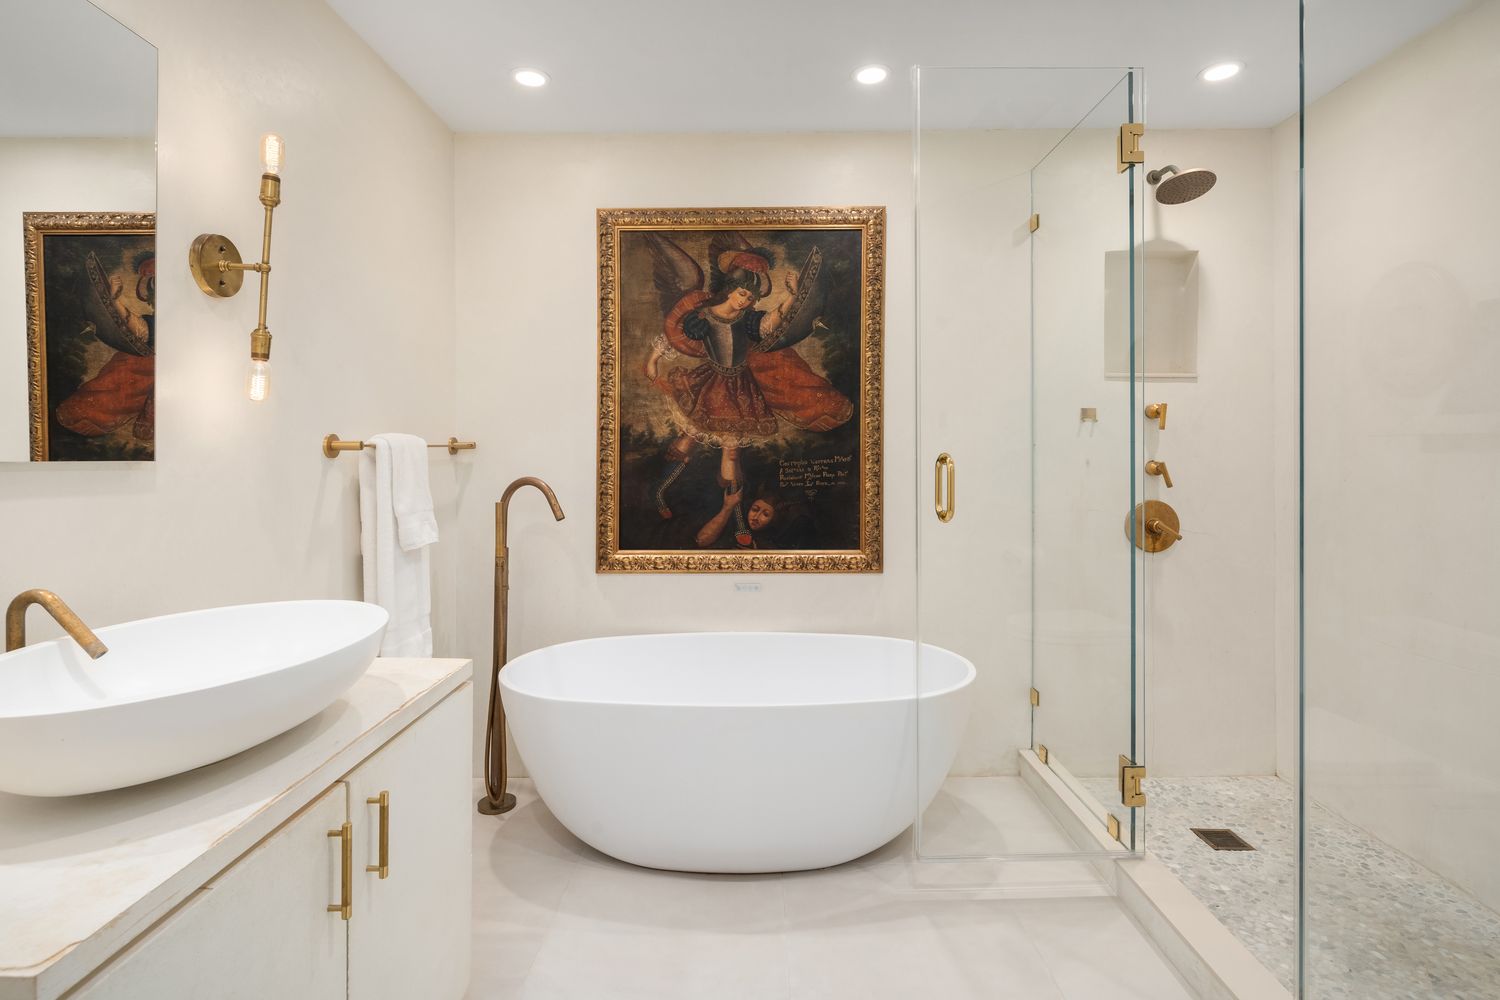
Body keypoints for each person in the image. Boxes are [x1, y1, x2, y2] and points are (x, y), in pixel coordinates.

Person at [642, 233, 852, 521]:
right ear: (730, 289)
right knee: (687, 441)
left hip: (740, 390)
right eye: (742, 294)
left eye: (751, 298)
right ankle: (659, 490)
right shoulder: (701, 316)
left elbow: (770, 323)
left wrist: (792, 296)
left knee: (731, 455)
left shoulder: (748, 319)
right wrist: (654, 359)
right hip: (710, 385)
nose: (745, 301)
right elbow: (677, 336)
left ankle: (735, 515)